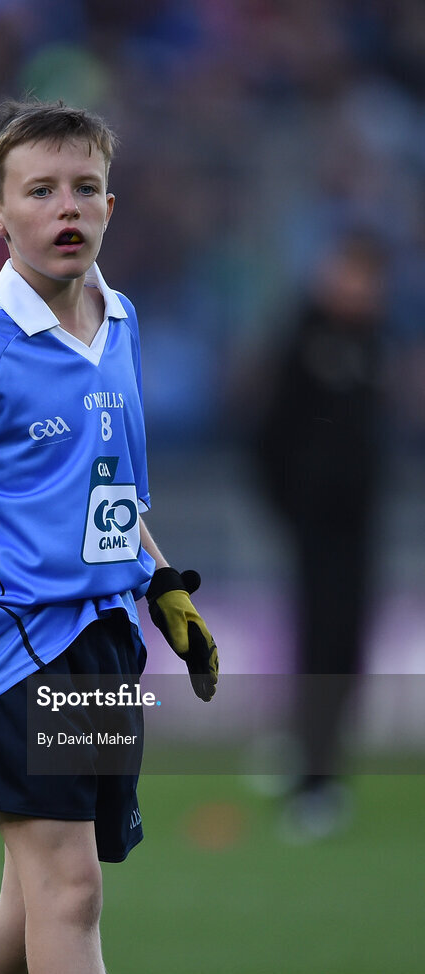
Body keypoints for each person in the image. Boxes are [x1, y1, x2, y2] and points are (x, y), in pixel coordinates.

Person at [0, 98, 219, 974]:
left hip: (102, 638)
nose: (66, 207)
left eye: (85, 188)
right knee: (70, 893)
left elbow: (113, 491)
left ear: (109, 205)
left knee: (34, 901)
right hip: (14, 644)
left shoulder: (122, 323)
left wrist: (161, 584)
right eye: (41, 190)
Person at [256, 230, 385, 840]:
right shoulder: (302, 339)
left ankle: (319, 763)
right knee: (323, 646)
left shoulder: (373, 342)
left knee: (345, 648)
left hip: (360, 527)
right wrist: (290, 508)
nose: (358, 287)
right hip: (315, 528)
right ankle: (315, 780)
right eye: (350, 272)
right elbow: (266, 434)